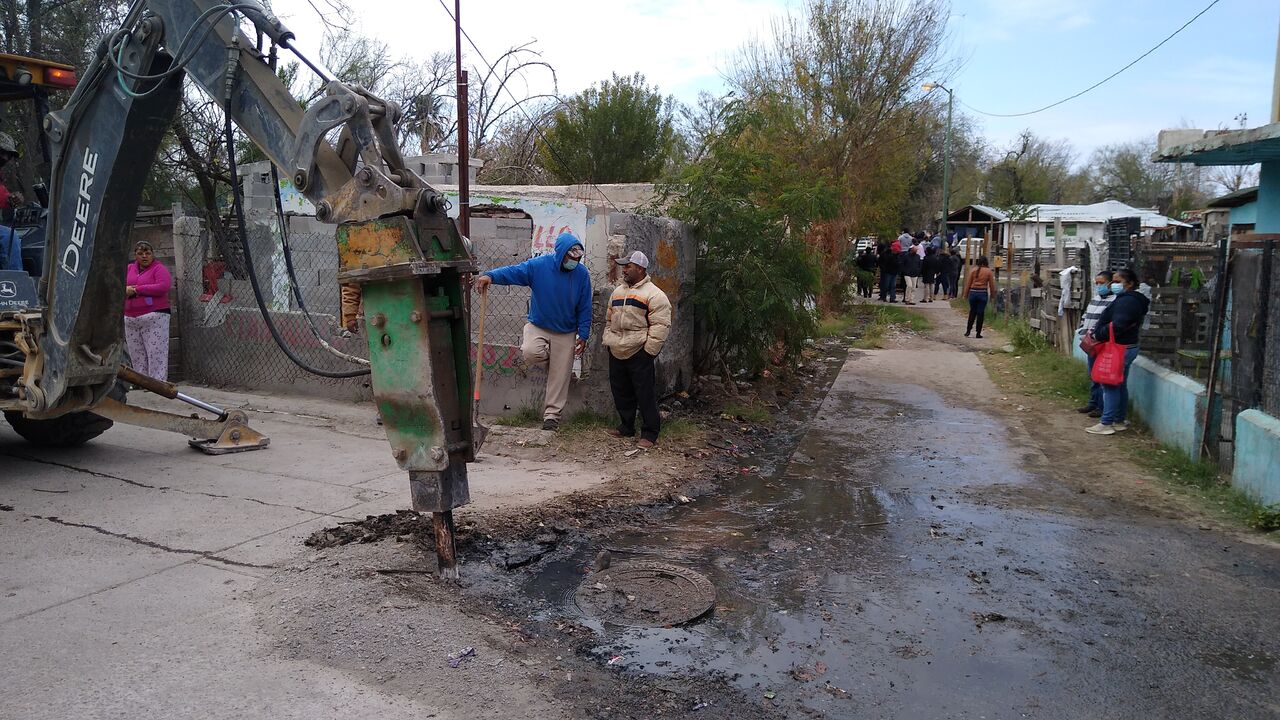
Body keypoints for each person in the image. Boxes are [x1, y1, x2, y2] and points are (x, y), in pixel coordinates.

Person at [475, 232, 592, 431]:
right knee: (530, 351)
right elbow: (513, 272)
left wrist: (584, 333)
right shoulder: (539, 266)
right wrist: (491, 276)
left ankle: (552, 417)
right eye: (571, 257)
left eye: (577, 258)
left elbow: (585, 306)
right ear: (561, 253)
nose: (574, 261)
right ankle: (555, 363)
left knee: (560, 375)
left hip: (566, 330)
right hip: (538, 325)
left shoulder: (582, 275)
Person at [602, 251, 672, 449]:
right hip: (616, 349)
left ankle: (650, 433)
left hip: (639, 350)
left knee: (645, 393)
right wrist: (609, 341)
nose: (624, 270)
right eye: (623, 266)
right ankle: (626, 426)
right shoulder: (617, 292)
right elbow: (609, 319)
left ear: (640, 269)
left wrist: (648, 352)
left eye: (628, 266)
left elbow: (660, 326)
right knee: (621, 390)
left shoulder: (654, 294)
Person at [1086, 268, 1149, 436]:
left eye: (1117, 281)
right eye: (1113, 281)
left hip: (1119, 347)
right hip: (1127, 346)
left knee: (1110, 384)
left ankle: (1106, 422)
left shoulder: (1127, 301)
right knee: (1119, 384)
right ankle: (1119, 420)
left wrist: (1099, 333)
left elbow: (1118, 325)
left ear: (1129, 284)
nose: (1113, 285)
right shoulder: (1131, 300)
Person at [123, 240, 173, 380]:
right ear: (135, 255)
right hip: (130, 318)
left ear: (152, 254)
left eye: (147, 253)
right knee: (136, 353)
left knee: (156, 351)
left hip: (154, 316)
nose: (144, 256)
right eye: (140, 253)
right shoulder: (129, 269)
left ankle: (157, 382)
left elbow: (163, 286)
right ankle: (141, 382)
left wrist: (137, 290)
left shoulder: (159, 269)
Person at [1075, 271, 1116, 419]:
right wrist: (1083, 332)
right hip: (1090, 343)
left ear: (1110, 283)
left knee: (1101, 376)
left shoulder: (1114, 301)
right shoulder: (1096, 299)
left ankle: (1101, 406)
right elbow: (1086, 316)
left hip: (1102, 343)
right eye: (1097, 283)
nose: (1099, 286)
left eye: (1102, 283)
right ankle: (1093, 402)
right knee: (1093, 374)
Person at [962, 255, 996, 338]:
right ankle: (978, 333)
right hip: (982, 293)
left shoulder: (973, 270)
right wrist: (992, 295)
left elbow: (968, 284)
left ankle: (968, 331)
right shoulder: (988, 271)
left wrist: (965, 295)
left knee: (972, 312)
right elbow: (991, 285)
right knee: (980, 313)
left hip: (973, 293)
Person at [901, 235, 923, 305]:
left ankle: (911, 299)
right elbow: (902, 264)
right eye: (914, 250)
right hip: (907, 273)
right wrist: (904, 271)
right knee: (909, 286)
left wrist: (918, 271)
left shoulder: (918, 257)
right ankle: (907, 298)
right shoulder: (906, 256)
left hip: (915, 273)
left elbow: (919, 264)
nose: (915, 251)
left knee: (913, 288)